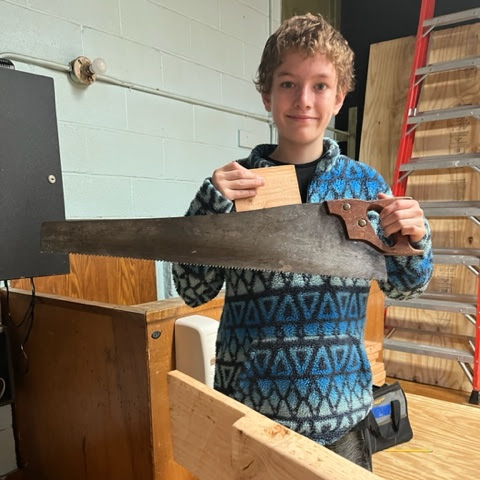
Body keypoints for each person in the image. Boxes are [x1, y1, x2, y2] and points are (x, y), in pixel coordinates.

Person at [172, 13, 433, 471]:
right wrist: (206, 211)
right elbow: (194, 292)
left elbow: (405, 287)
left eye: (320, 86)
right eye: (289, 83)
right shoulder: (236, 185)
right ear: (266, 93)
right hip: (251, 413)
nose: (304, 100)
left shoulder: (364, 184)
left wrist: (417, 239)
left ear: (339, 98)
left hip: (344, 416)